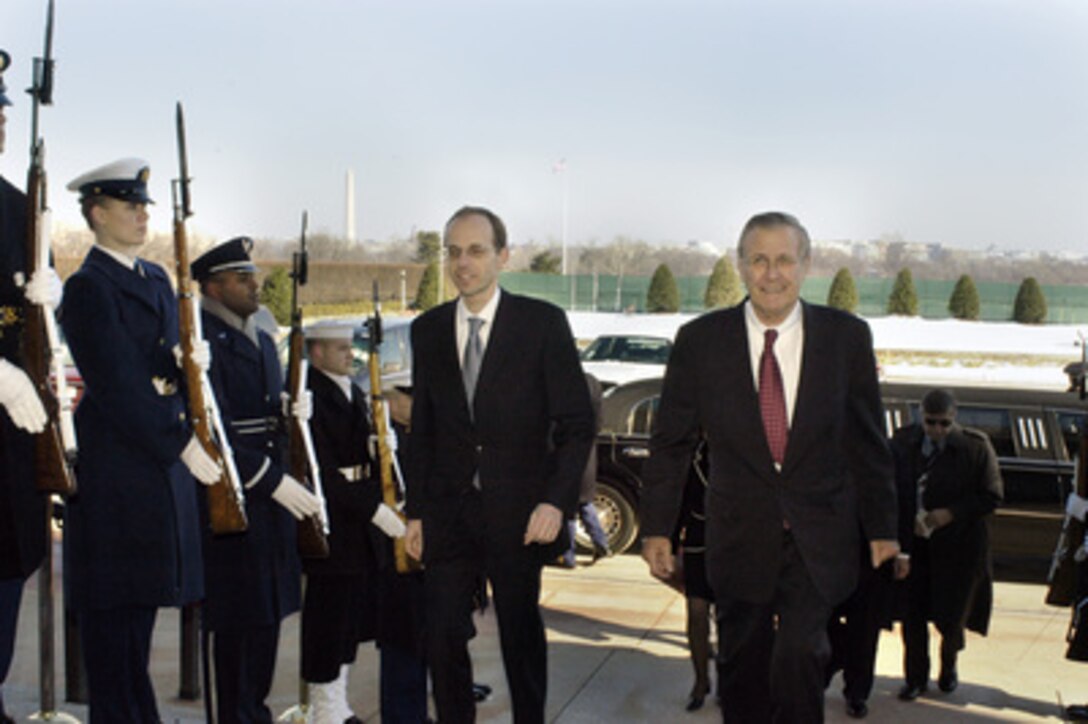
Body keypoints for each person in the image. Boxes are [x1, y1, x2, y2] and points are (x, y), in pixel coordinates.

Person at [640, 211, 899, 724]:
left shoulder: (846, 338)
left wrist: (883, 527)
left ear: (806, 265)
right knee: (741, 669)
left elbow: (868, 442)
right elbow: (670, 444)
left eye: (784, 260)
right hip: (738, 535)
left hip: (819, 533)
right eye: (759, 260)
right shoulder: (700, 341)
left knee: (801, 654)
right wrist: (656, 528)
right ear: (740, 265)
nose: (771, 273)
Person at [404, 205, 595, 724]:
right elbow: (423, 429)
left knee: (520, 635)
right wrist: (415, 512)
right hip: (448, 514)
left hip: (520, 516)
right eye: (454, 251)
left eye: (476, 250)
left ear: (502, 256)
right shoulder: (428, 330)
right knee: (441, 633)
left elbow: (578, 424)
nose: (463, 262)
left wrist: (556, 501)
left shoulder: (541, 324)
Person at [59, 158, 217, 722]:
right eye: (130, 207)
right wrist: (179, 439)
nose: (142, 216)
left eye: (145, 206)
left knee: (137, 628)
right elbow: (119, 385)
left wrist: (184, 362)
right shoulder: (88, 288)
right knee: (114, 636)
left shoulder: (154, 280)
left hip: (150, 476)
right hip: (118, 480)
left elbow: (158, 366)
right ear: (97, 214)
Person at [192, 236, 322, 723]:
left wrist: (293, 417)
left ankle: (255, 712)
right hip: (236, 497)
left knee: (267, 620)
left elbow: (270, 418)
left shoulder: (263, 339)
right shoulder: (202, 340)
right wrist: (270, 478)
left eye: (252, 276)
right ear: (213, 285)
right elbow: (213, 430)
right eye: (241, 278)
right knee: (238, 626)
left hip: (271, 502)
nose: (254, 285)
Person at [301, 322, 405, 724]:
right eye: (341, 348)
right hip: (339, 518)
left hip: (359, 520)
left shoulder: (353, 390)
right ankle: (322, 705)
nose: (351, 355)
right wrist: (374, 510)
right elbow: (323, 471)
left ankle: (337, 701)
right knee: (329, 617)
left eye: (351, 348)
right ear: (317, 353)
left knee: (350, 617)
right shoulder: (310, 395)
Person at [0, 48, 54, 724]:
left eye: (2, 112)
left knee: (11, 560)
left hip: (10, 442)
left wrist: (49, 302)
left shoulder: (18, 210)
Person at [893, 388, 1002, 702]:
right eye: (930, 422)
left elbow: (991, 496)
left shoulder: (974, 448)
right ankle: (915, 677)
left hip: (958, 548)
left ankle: (949, 665)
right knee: (912, 615)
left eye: (943, 423)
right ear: (920, 415)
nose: (936, 430)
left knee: (952, 616)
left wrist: (949, 514)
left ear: (954, 418)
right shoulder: (903, 444)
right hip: (914, 545)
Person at [560, 372, 611, 568]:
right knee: (585, 503)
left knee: (567, 509)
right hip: (588, 449)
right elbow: (599, 418)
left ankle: (568, 555)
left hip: (567, 450)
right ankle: (601, 543)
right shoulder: (592, 381)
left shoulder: (563, 382)